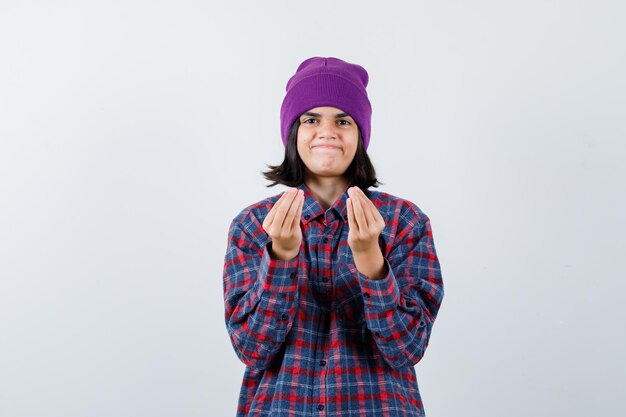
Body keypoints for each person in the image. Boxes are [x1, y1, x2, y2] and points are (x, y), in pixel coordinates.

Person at [222, 56, 444, 417]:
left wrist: (372, 259)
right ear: (294, 132)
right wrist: (280, 256)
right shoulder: (252, 225)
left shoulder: (404, 222)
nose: (327, 131)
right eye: (311, 119)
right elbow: (252, 349)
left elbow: (406, 350)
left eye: (343, 120)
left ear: (360, 135)